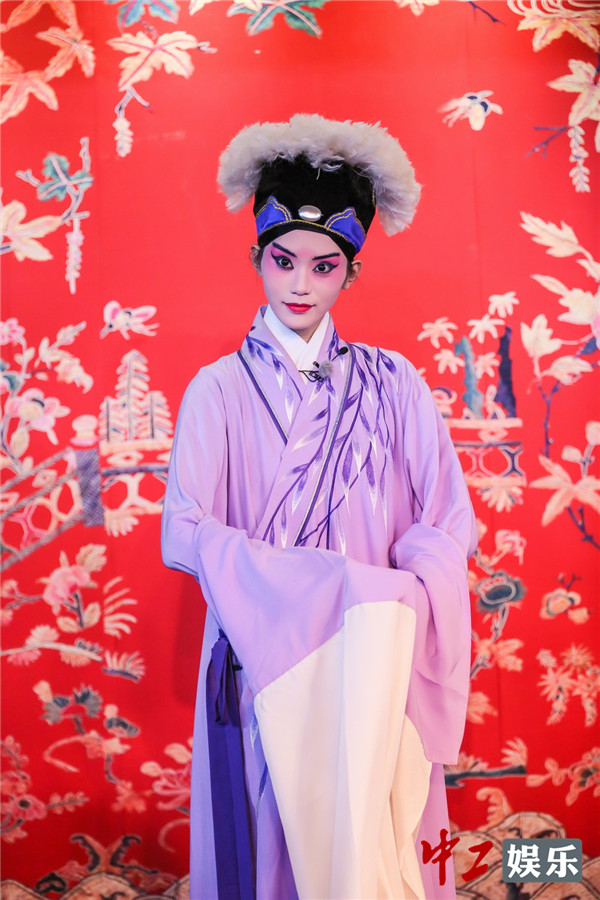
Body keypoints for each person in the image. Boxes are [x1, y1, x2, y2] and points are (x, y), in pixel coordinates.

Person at [161, 113, 478, 900]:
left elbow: (448, 519)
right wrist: (316, 590)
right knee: (274, 843)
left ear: (349, 274)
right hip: (264, 661)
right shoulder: (218, 390)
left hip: (374, 659)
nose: (300, 285)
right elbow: (185, 531)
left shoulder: (394, 383)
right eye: (283, 261)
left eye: (324, 266)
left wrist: (395, 596)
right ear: (257, 259)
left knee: (375, 836)